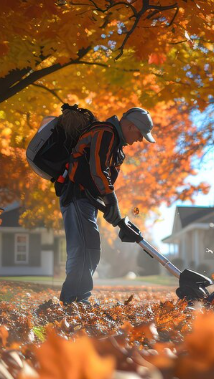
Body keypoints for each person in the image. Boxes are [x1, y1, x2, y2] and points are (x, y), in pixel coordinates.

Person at [58, 107, 156, 305]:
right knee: (84, 248)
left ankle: (77, 299)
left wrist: (112, 210)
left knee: (90, 248)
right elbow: (97, 169)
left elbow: (103, 180)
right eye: (139, 134)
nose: (139, 140)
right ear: (130, 126)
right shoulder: (105, 132)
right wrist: (112, 202)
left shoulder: (117, 149)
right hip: (77, 195)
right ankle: (74, 300)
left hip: (87, 200)